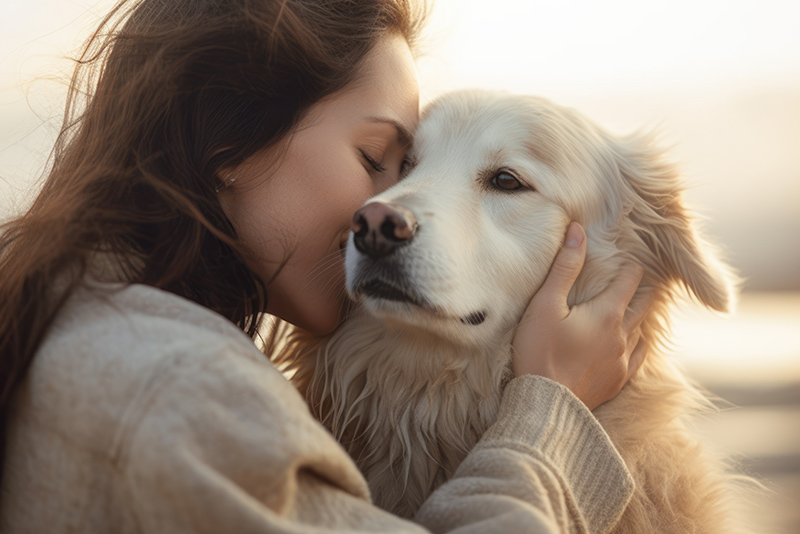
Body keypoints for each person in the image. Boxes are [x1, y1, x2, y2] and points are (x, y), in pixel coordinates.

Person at [0, 0, 650, 532]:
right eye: (376, 159)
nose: (389, 208)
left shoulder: (72, 311)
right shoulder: (178, 388)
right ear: (231, 140)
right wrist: (552, 412)